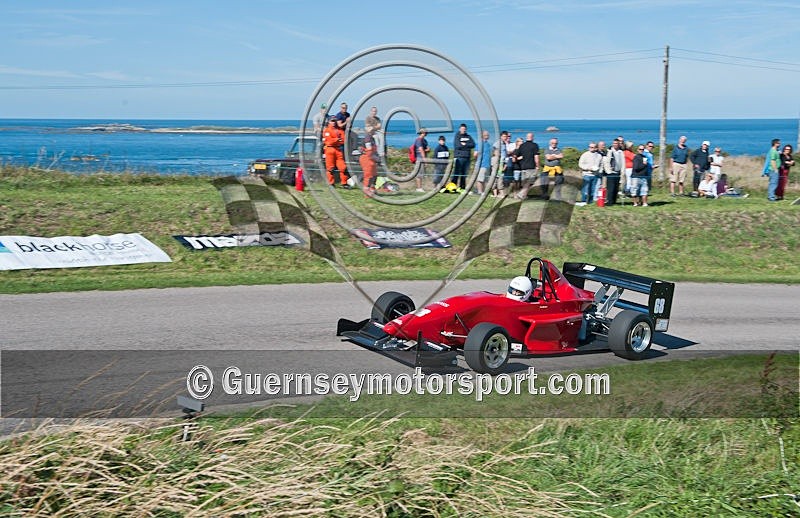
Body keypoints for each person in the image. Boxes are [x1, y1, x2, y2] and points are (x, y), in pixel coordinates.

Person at [322, 118, 349, 187]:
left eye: (334, 121)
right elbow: (328, 141)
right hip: (329, 149)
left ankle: (344, 183)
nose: (333, 122)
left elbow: (343, 140)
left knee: (343, 167)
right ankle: (331, 183)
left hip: (338, 150)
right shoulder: (327, 130)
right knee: (330, 168)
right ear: (329, 122)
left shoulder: (339, 130)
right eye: (332, 121)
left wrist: (335, 140)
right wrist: (337, 139)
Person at [514, 132, 540, 198]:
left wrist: (519, 159)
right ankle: (520, 194)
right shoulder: (535, 145)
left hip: (523, 167)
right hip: (531, 166)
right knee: (530, 182)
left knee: (525, 183)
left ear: (526, 137)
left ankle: (524, 196)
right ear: (532, 137)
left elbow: (515, 156)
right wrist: (537, 166)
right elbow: (536, 157)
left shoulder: (522, 145)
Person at [453, 124, 476, 191]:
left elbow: (473, 144)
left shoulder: (468, 136)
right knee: (456, 173)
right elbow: (458, 145)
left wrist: (465, 144)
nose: (463, 130)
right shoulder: (457, 136)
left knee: (464, 174)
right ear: (460, 129)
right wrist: (466, 146)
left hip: (467, 158)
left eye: (464, 129)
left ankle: (462, 188)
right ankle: (453, 187)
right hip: (459, 157)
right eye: (462, 129)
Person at [359, 127, 378, 195]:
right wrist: (377, 159)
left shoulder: (372, 138)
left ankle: (372, 189)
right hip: (366, 158)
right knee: (368, 175)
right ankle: (366, 191)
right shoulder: (368, 138)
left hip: (371, 159)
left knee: (374, 175)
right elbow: (369, 152)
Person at [605, 139, 624, 205]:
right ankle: (609, 202)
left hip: (618, 172)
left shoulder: (621, 152)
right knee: (611, 188)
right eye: (614, 143)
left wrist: (622, 172)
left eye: (617, 143)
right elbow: (606, 162)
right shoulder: (609, 151)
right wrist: (608, 171)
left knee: (616, 188)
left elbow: (623, 163)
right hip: (611, 173)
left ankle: (614, 201)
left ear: (619, 144)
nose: (615, 144)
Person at [491, 131, 511, 197]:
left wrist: (505, 163)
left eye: (506, 136)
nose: (505, 138)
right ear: (501, 136)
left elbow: (504, 155)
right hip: (497, 162)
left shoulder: (504, 144)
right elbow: (494, 152)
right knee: (496, 177)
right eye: (504, 136)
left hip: (501, 162)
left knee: (500, 177)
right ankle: (496, 194)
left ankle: (500, 193)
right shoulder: (497, 143)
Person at [475, 130, 492, 195]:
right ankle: (480, 191)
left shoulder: (488, 144)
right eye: (486, 135)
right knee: (480, 179)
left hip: (487, 164)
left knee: (485, 179)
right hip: (481, 164)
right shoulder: (479, 144)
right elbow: (475, 154)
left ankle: (483, 191)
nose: (487, 136)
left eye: (488, 135)